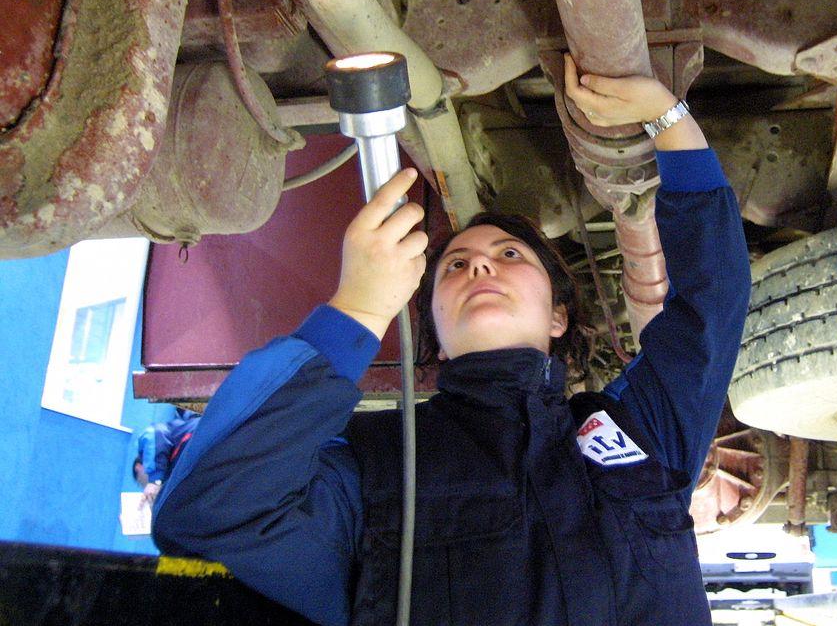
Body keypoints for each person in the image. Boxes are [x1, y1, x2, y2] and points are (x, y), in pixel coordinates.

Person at [152, 54, 751, 626]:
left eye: (509, 255)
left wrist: (668, 118)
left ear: (558, 318)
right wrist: (355, 308)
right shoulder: (379, 464)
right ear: (433, 332)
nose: (480, 268)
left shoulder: (631, 433)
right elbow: (214, 513)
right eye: (456, 266)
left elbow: (711, 303)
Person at [132, 407, 201, 505]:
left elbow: (155, 433)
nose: (143, 486)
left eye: (140, 482)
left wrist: (154, 481)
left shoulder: (148, 443)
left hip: (197, 435)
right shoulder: (168, 474)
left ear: (138, 467)